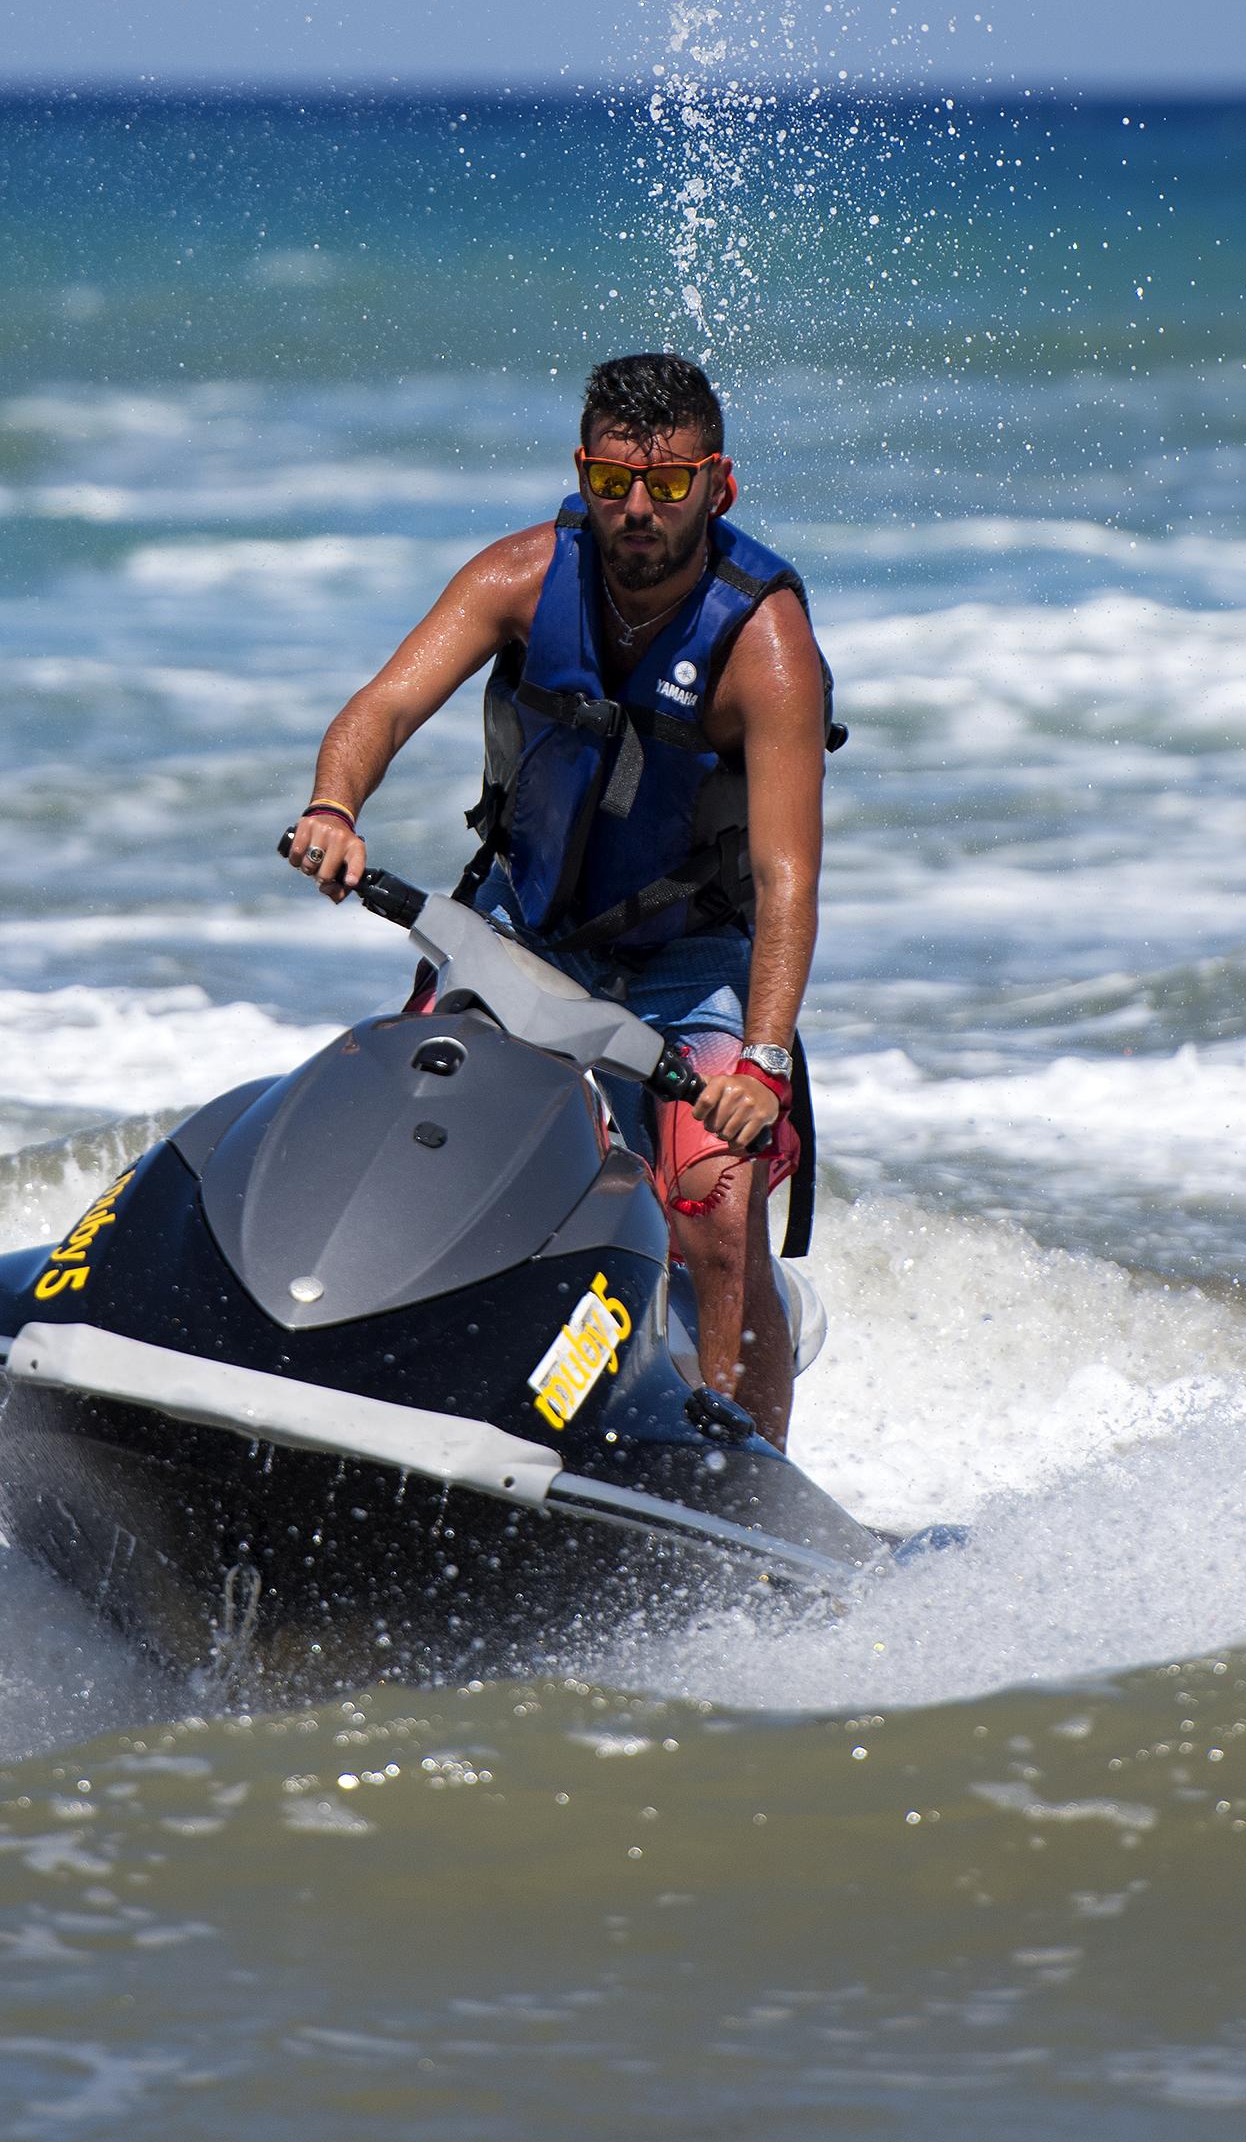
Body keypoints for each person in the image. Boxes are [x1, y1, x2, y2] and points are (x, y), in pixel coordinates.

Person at [277, 350, 832, 1443]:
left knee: (716, 1202)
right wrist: (333, 806)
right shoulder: (519, 577)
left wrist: (763, 1062)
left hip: (691, 966)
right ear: (580, 473)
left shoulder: (763, 646)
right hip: (522, 937)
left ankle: (737, 1469)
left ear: (717, 486)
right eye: (610, 479)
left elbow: (785, 877)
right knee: (407, 1122)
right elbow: (382, 706)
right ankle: (357, 1366)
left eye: (667, 485)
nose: (636, 508)